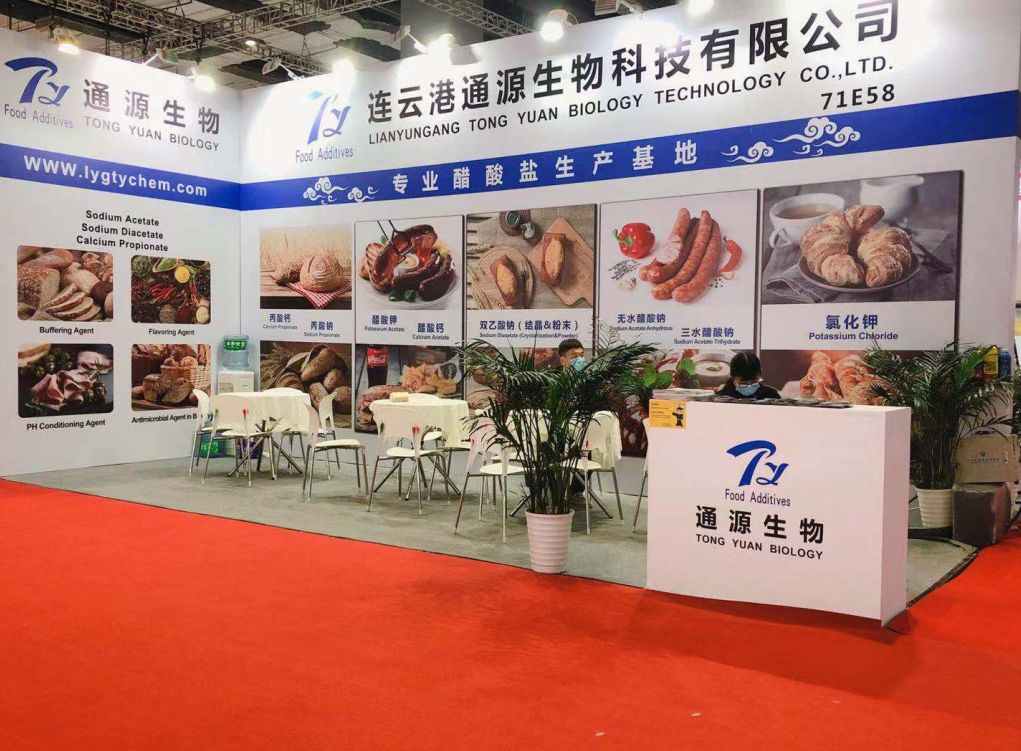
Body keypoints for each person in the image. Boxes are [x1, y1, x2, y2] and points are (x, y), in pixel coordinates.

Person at [716, 352, 781, 400]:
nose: (749, 386)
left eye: (754, 382)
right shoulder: (721, 399)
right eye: (743, 384)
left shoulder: (771, 395)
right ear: (732, 377)